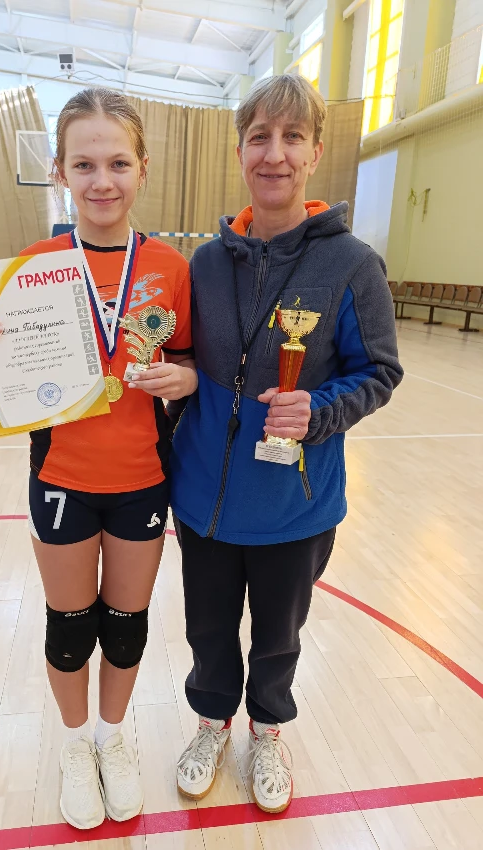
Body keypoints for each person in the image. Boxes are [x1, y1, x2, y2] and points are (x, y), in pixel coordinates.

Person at [0, 88, 197, 830]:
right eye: (84, 164)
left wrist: (183, 380)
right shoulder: (32, 269)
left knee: (127, 623)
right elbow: (12, 381)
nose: (101, 180)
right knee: (71, 623)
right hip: (61, 480)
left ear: (142, 169)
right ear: (59, 170)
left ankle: (114, 740)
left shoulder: (171, 268)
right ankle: (76, 744)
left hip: (143, 480)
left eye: (117, 163)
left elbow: (186, 362)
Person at [168, 74, 404, 814]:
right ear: (240, 151)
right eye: (259, 138)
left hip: (295, 505)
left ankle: (267, 730)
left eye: (292, 137)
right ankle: (212, 723)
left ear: (315, 153)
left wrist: (319, 409)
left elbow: (380, 371)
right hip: (204, 498)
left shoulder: (353, 264)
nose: (274, 154)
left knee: (278, 637)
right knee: (208, 629)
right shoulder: (205, 263)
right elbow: (180, 357)